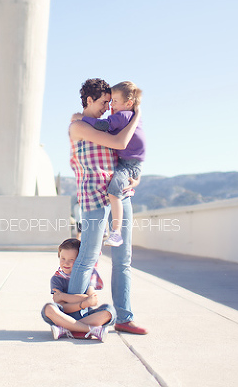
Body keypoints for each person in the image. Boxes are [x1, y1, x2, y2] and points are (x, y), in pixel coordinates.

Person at [67, 78, 148, 335]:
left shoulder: (113, 125)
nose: (107, 108)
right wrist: (136, 117)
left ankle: (124, 317)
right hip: (94, 197)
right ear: (89, 100)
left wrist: (136, 178)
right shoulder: (79, 126)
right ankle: (73, 318)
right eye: (103, 103)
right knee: (88, 257)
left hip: (119, 197)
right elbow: (120, 144)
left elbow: (127, 157)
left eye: (110, 103)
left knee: (123, 260)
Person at [72, 81, 145, 247]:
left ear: (129, 103)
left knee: (113, 193)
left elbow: (107, 130)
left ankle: (116, 233)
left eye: (114, 101)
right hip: (128, 165)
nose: (110, 106)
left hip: (127, 167)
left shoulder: (124, 116)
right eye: (107, 102)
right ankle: (113, 232)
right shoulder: (127, 117)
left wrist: (81, 118)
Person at [41, 238, 116, 341]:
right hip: (63, 316)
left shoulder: (86, 276)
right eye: (63, 258)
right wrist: (85, 301)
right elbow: (64, 308)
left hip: (84, 316)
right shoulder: (57, 279)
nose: (66, 263)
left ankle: (65, 328)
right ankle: (91, 329)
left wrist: (63, 296)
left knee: (109, 311)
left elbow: (93, 300)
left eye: (71, 260)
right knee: (48, 309)